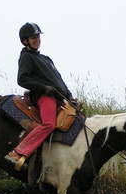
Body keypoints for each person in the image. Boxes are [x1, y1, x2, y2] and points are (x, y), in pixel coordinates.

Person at [4, 22, 75, 171]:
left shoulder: (47, 59)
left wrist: (69, 96)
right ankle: (17, 153)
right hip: (44, 96)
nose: (37, 39)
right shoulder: (26, 57)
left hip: (59, 98)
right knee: (49, 124)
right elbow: (22, 79)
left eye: (38, 36)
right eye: (33, 37)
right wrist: (44, 88)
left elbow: (58, 79)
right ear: (25, 41)